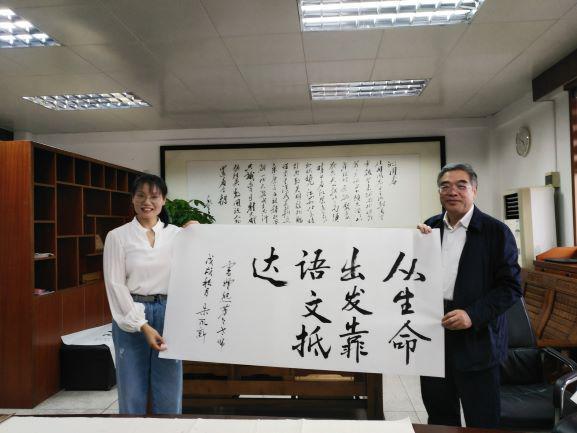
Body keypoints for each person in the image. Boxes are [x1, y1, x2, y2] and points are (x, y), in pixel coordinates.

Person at [417, 163, 522, 428]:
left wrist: (471, 315)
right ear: (439, 192)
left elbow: (510, 287)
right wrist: (415, 244)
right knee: (440, 419)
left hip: (478, 341)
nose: (452, 191)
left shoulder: (496, 232)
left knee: (482, 421)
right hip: (434, 340)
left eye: (461, 185)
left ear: (474, 190)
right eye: (445, 186)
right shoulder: (430, 228)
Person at [103, 174, 194, 415]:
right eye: (141, 195)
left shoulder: (177, 235)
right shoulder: (117, 236)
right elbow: (115, 285)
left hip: (169, 312)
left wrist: (197, 233)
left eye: (154, 196)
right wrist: (142, 325)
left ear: (164, 200)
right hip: (130, 312)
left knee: (169, 385)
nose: (147, 202)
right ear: (132, 199)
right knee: (131, 386)